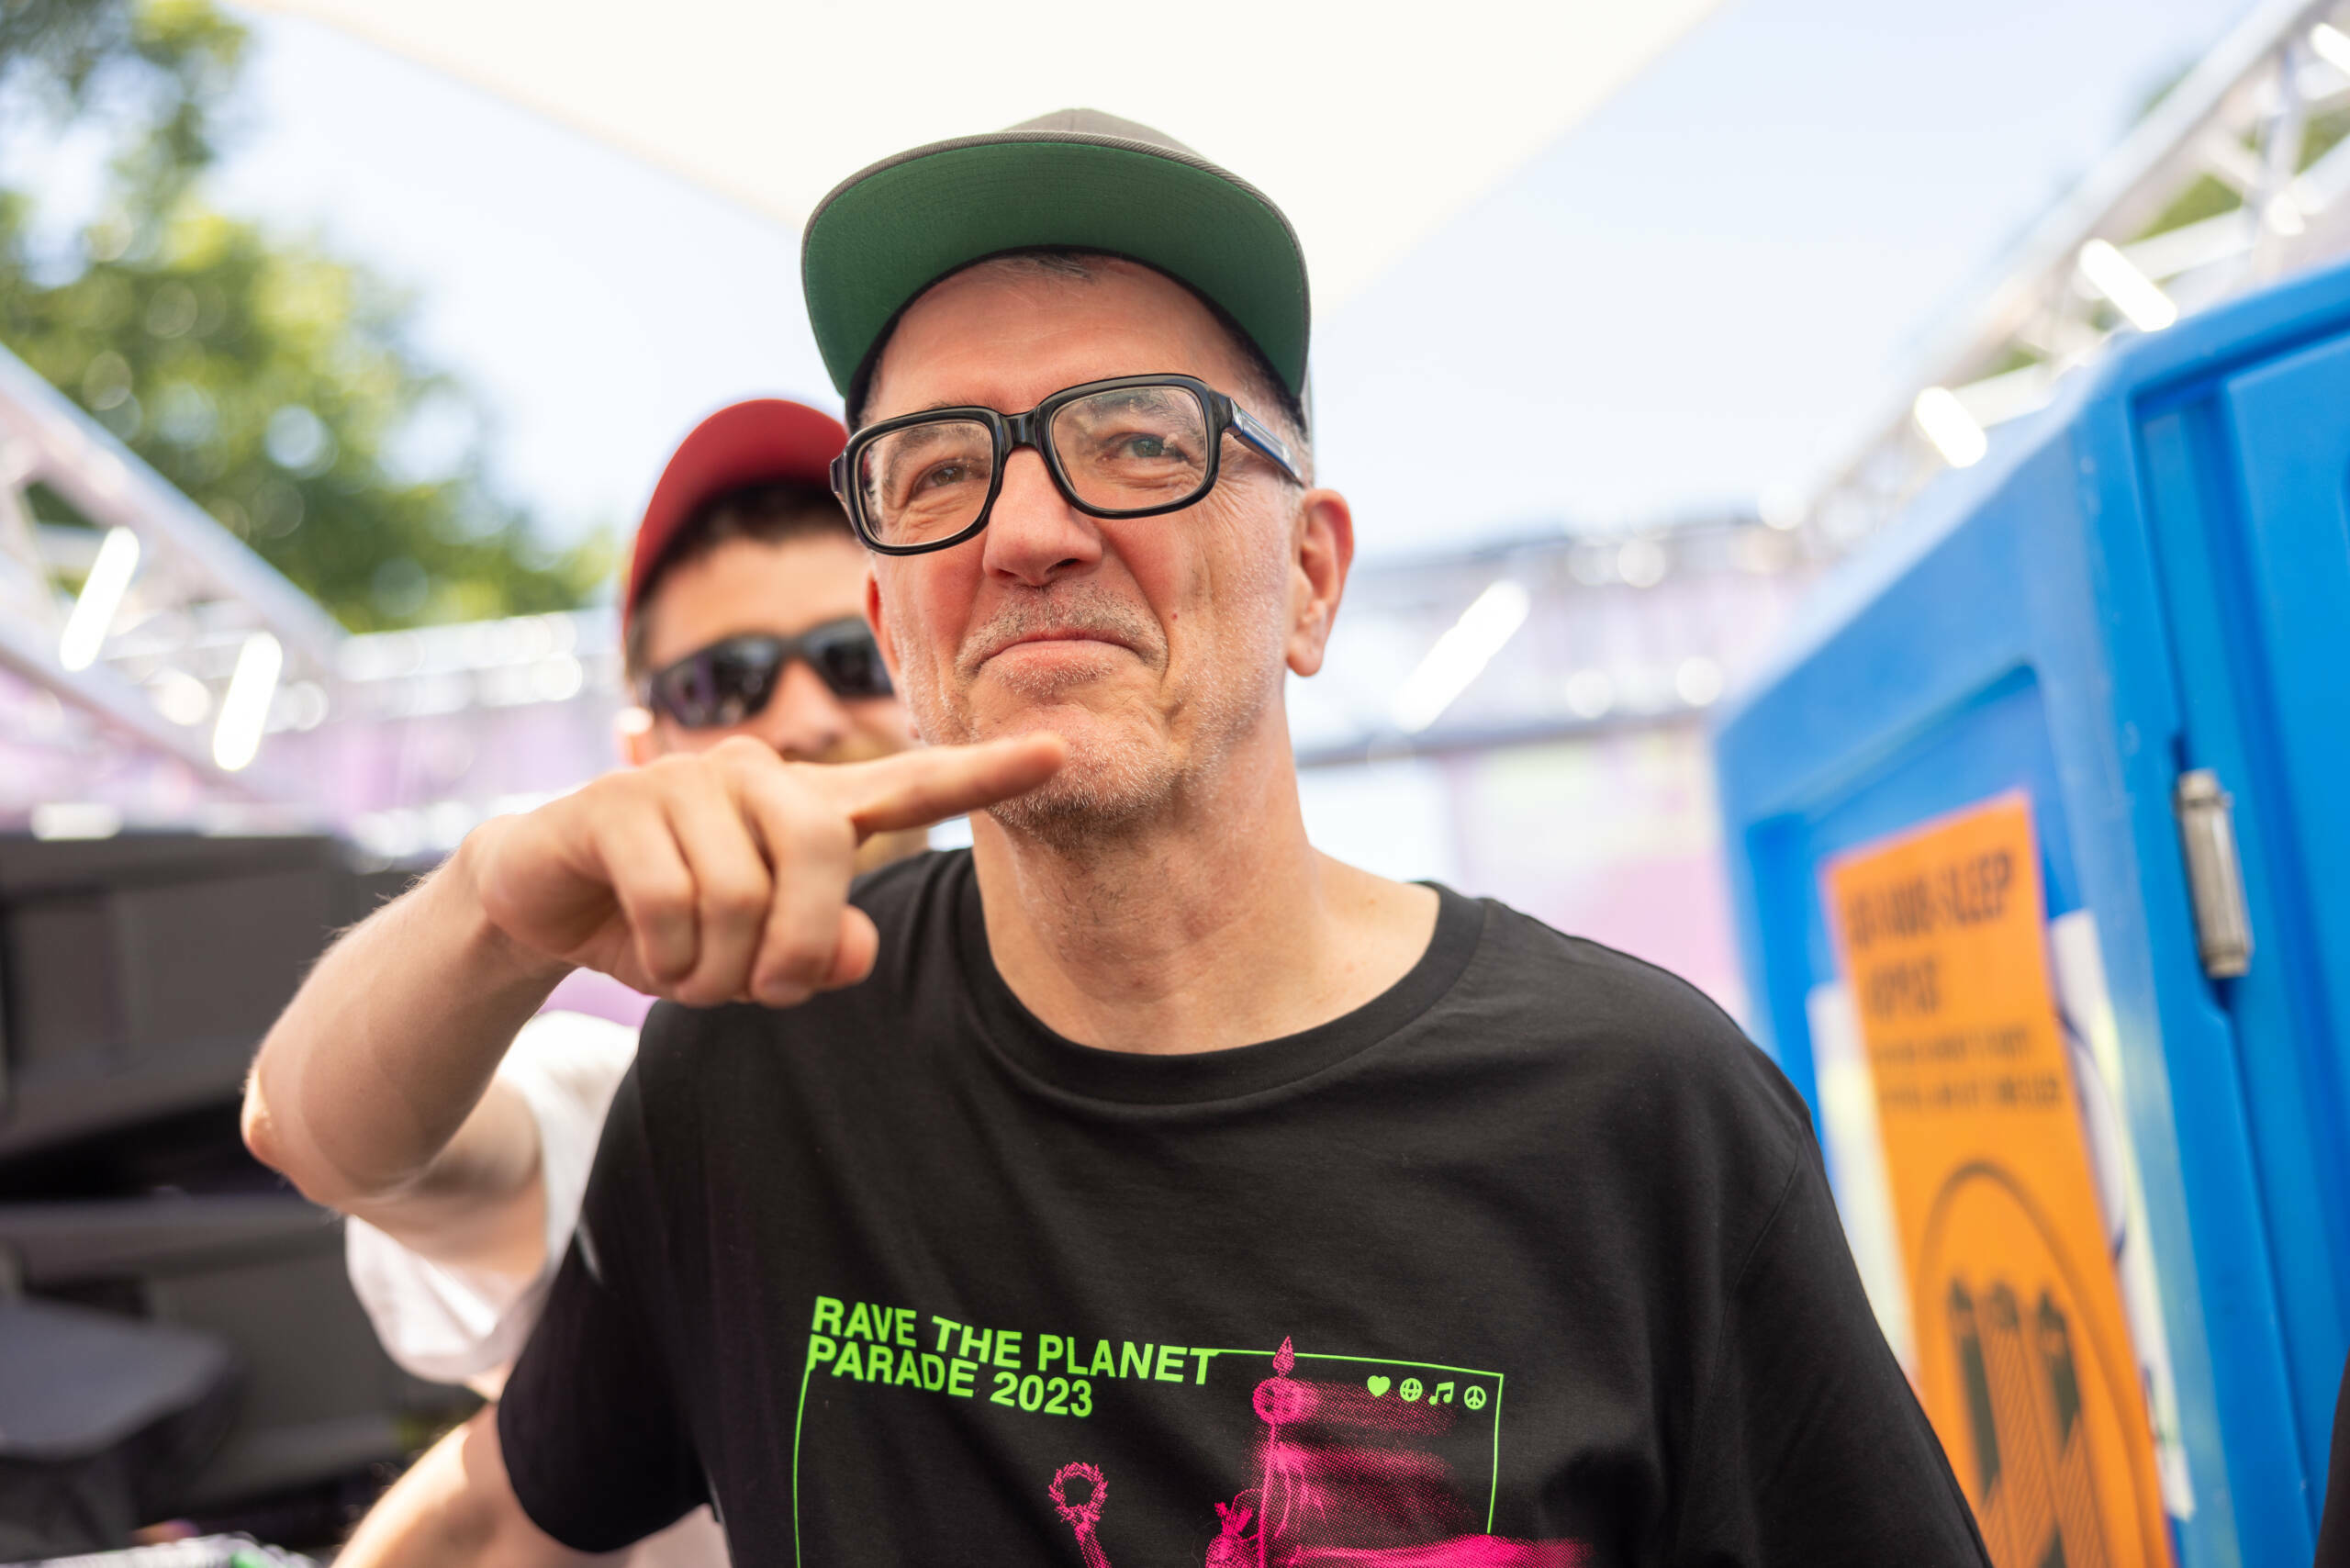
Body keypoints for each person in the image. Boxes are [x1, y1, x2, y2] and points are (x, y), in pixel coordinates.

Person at [259, 110, 1992, 1566]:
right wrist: (503, 895)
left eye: (1136, 439)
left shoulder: (1639, 1109)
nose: (1023, 527)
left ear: (1310, 573)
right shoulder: (755, 1080)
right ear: (902, 609)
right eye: (937, 468)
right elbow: (512, 1479)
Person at [246, 397, 920, 1567]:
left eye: (856, 659)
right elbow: (321, 1139)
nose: (805, 718)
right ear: (645, 748)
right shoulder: (631, 1097)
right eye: (724, 683)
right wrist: (493, 915)